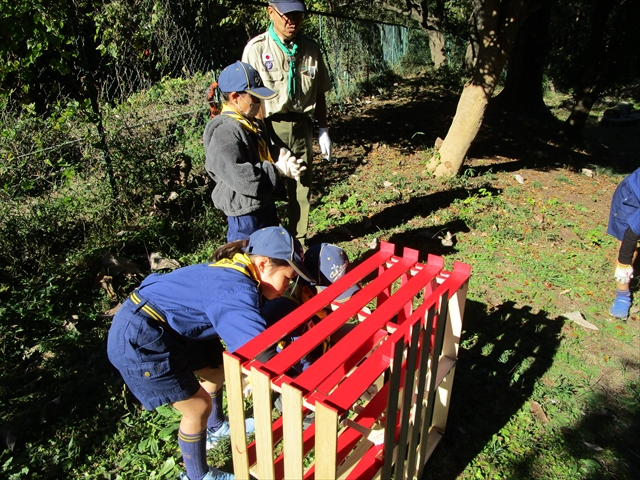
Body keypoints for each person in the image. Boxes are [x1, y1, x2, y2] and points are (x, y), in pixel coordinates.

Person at [106, 227, 313, 480]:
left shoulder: (237, 268)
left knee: (215, 371)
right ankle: (198, 475)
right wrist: (304, 385)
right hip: (142, 336)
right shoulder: (238, 290)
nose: (289, 285)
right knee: (197, 407)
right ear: (264, 263)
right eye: (288, 278)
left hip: (172, 325)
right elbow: (261, 351)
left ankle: (216, 428)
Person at [242, 0, 332, 246]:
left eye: (298, 16)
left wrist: (323, 128)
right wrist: (266, 138)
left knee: (301, 184)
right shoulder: (257, 49)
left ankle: (298, 241)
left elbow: (320, 90)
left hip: (301, 125)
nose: (293, 21)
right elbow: (252, 98)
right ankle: (265, 241)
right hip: (269, 125)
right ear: (271, 12)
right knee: (268, 183)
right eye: (287, 15)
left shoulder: (311, 48)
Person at [203, 61, 306, 243]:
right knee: (249, 260)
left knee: (271, 255)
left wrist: (279, 155)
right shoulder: (224, 132)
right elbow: (242, 177)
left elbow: (260, 150)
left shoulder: (251, 123)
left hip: (263, 203)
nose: (260, 103)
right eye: (255, 98)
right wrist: (278, 170)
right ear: (235, 97)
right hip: (245, 214)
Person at [261, 242, 361, 374]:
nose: (341, 302)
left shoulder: (314, 301)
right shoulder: (288, 316)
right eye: (334, 295)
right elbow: (303, 367)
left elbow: (330, 328)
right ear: (307, 289)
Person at [607, 168, 640, 319]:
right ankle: (622, 296)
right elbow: (631, 236)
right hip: (631, 197)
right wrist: (623, 267)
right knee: (627, 249)